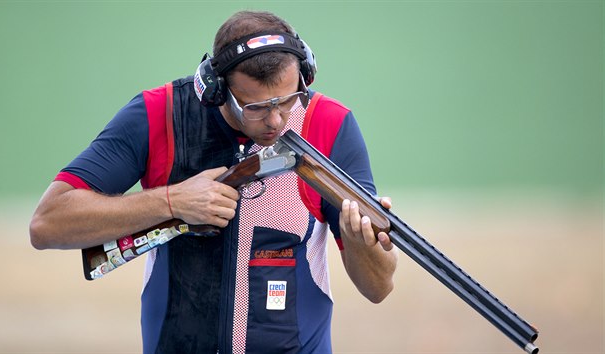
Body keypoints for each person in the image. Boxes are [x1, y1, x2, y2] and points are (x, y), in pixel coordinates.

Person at [29, 10, 398, 354]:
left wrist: (358, 239)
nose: (277, 121)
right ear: (214, 89)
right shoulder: (159, 114)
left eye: (287, 100)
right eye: (255, 107)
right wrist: (171, 202)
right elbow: (47, 224)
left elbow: (379, 288)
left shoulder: (328, 124)